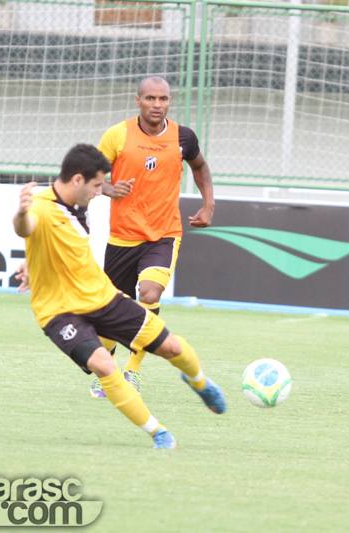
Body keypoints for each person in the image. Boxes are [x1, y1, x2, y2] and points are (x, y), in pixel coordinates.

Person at [13, 144, 226, 449]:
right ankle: (158, 432)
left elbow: (55, 243)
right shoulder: (39, 206)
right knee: (104, 365)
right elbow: (27, 227)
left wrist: (32, 261)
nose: (101, 192)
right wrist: (20, 214)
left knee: (170, 347)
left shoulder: (75, 201)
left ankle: (199, 382)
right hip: (58, 312)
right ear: (77, 180)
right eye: (98, 185)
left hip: (102, 297)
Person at [90, 75, 215, 398]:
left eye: (163, 99)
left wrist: (208, 205)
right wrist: (109, 189)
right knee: (110, 310)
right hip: (122, 237)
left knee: (148, 293)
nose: (157, 105)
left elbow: (200, 167)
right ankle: (107, 371)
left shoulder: (183, 137)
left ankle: (133, 370)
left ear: (169, 102)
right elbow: (93, 179)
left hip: (163, 234)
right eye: (150, 99)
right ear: (138, 101)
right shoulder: (117, 135)